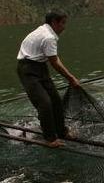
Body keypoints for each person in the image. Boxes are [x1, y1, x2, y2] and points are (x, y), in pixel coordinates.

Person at [17, 10, 80, 148]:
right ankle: (50, 139)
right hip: (27, 70)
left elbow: (53, 59)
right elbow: (54, 62)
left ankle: (61, 132)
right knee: (45, 103)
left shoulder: (45, 31)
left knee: (56, 101)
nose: (64, 27)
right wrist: (71, 78)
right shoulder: (48, 37)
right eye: (62, 23)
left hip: (40, 67)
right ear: (54, 23)